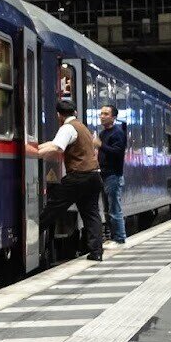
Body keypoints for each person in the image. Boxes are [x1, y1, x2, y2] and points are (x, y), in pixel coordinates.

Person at [28, 99, 105, 262]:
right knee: (91, 214)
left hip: (79, 177)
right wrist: (38, 147)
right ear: (74, 113)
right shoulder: (81, 126)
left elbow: (57, 148)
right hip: (94, 176)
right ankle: (96, 252)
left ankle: (29, 238)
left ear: (59, 115)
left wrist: (32, 153)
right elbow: (55, 143)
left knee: (52, 208)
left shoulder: (67, 128)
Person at [96, 104, 128, 246]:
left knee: (114, 208)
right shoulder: (103, 133)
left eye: (106, 114)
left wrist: (100, 145)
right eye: (101, 113)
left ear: (113, 117)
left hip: (113, 175)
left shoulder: (118, 133)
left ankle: (119, 237)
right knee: (108, 209)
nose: (102, 116)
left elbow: (118, 153)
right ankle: (114, 237)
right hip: (104, 174)